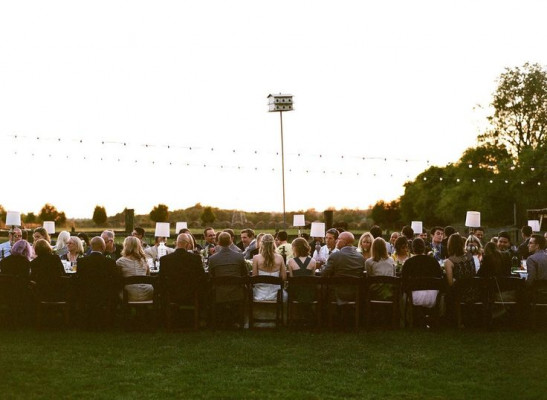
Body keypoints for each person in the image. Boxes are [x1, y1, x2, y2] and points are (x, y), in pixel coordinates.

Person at [76, 236, 117, 329]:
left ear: (91, 246)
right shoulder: (110, 262)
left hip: (86, 292)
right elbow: (115, 279)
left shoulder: (82, 261)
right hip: (104, 293)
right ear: (103, 247)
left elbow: (79, 278)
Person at [208, 232, 248, 325]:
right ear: (231, 241)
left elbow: (211, 275)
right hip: (236, 291)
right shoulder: (239, 256)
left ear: (218, 242)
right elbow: (245, 274)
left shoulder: (213, 258)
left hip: (219, 291)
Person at [159, 233, 206, 312]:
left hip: (172, 293)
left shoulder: (165, 259)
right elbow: (202, 277)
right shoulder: (195, 258)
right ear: (188, 245)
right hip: (191, 294)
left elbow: (161, 279)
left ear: (177, 243)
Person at [401, 238, 443, 309]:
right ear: (424, 248)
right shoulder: (433, 261)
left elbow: (404, 282)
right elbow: (440, 277)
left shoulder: (408, 262)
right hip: (433, 298)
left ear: (413, 248)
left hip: (414, 298)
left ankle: (405, 318)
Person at [116, 236, 153, 302]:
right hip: (147, 293)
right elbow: (148, 276)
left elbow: (118, 279)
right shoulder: (144, 261)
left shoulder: (120, 262)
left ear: (125, 246)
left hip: (128, 295)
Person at [252, 234, 286, 301]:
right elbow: (284, 278)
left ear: (262, 244)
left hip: (259, 293)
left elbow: (254, 277)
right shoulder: (280, 258)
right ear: (273, 244)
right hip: (276, 294)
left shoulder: (256, 258)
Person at [444, 233, 477, 303]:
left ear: (449, 245)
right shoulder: (470, 256)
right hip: (473, 292)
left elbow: (450, 283)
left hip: (459, 295)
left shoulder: (449, 262)